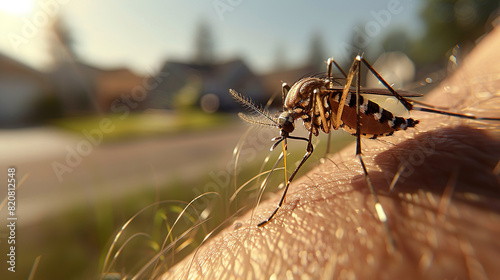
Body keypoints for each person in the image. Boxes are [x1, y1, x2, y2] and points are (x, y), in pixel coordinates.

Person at [162, 27, 500, 280]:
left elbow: (321, 105)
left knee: (352, 64)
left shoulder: (306, 105)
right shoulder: (292, 105)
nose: (288, 129)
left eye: (287, 124)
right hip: (336, 108)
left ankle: (413, 113)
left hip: (359, 112)